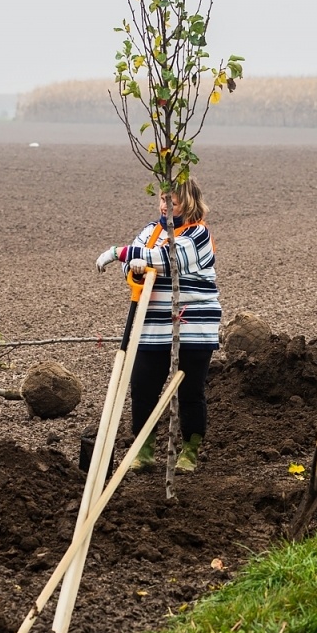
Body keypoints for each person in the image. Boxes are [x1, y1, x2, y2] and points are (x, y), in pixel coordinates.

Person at [95, 179, 221, 472]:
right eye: (163, 200)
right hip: (152, 327)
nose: (165, 206)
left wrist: (118, 252)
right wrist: (134, 268)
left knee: (190, 392)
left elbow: (170, 258)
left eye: (172, 202)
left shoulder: (199, 233)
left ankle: (189, 452)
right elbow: (133, 266)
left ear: (188, 203)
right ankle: (144, 451)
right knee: (142, 388)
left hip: (192, 327)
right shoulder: (150, 232)